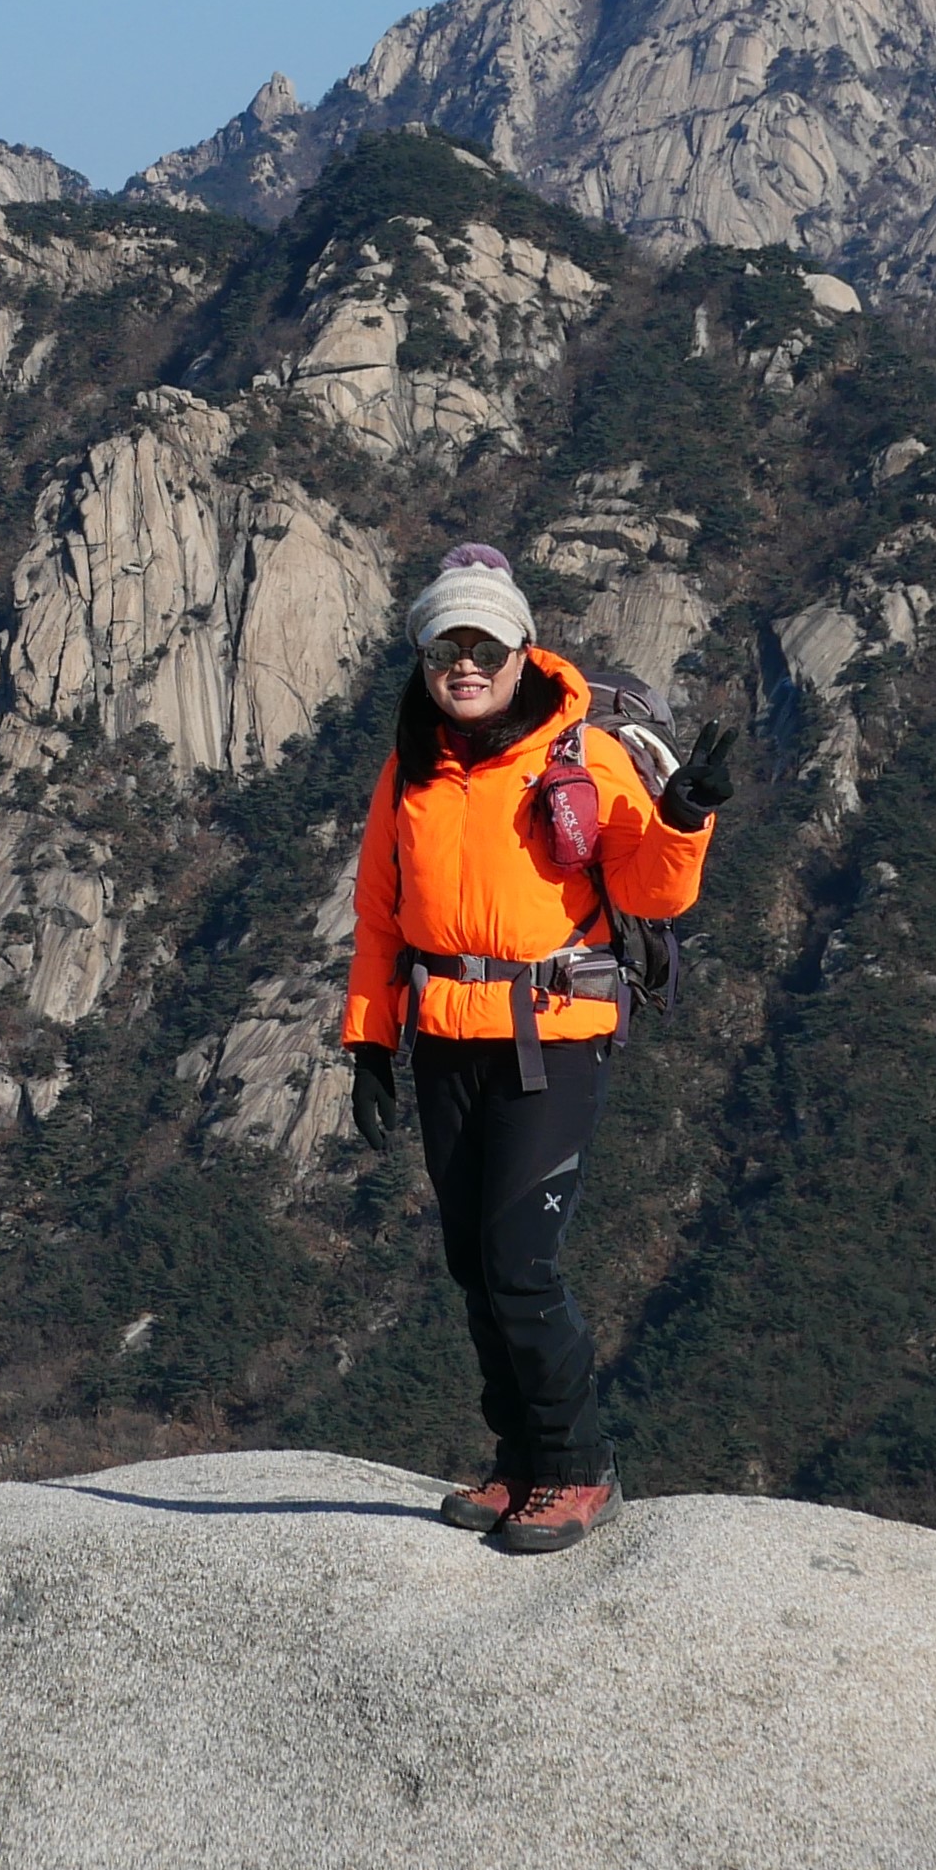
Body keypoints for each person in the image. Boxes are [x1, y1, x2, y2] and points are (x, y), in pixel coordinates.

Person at [343, 542, 732, 1554]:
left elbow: (650, 892)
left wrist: (684, 817)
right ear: (424, 656)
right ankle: (517, 1457)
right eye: (445, 648)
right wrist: (367, 1042)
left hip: (552, 1037)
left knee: (520, 1260)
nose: (464, 666)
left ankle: (577, 1466)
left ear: (521, 650)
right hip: (443, 1036)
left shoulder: (580, 754)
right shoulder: (412, 765)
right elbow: (379, 913)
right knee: (474, 1263)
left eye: (483, 646)